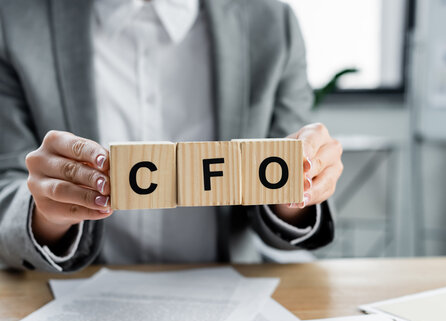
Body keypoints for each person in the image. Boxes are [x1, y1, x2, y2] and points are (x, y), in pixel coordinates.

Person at [0, 0, 343, 272]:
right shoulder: (14, 23)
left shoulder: (273, 24)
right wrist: (47, 212)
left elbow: (290, 178)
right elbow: (7, 183)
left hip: (228, 289)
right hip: (75, 293)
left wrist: (296, 187)